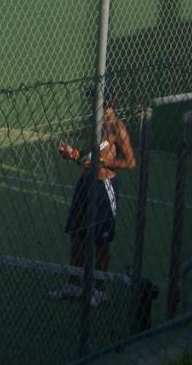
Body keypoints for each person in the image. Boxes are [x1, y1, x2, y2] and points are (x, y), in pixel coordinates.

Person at [47, 98, 136, 305]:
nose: (98, 107)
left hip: (104, 187)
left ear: (111, 105)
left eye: (103, 104)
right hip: (84, 184)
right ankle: (74, 285)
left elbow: (130, 162)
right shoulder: (95, 125)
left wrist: (103, 161)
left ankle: (100, 290)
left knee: (101, 243)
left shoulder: (117, 128)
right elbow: (87, 157)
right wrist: (73, 154)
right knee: (77, 236)